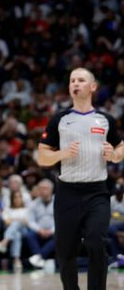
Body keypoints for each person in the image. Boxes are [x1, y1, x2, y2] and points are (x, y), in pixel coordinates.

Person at [37, 67, 124, 290]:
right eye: (72, 80)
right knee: (66, 251)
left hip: (97, 192)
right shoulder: (59, 119)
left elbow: (121, 147)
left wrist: (114, 155)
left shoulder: (105, 120)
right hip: (67, 193)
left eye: (81, 80)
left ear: (92, 87)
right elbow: (42, 156)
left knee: (96, 242)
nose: (75, 84)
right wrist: (62, 154)